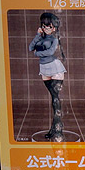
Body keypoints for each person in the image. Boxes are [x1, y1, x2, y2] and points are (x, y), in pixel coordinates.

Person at [28, 12, 66, 142]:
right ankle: (55, 127)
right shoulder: (40, 37)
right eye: (44, 26)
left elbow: (50, 52)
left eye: (49, 26)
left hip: (55, 67)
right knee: (53, 99)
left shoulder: (54, 40)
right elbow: (30, 47)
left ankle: (57, 128)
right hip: (44, 69)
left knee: (55, 99)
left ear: (54, 28)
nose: (46, 28)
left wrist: (37, 53)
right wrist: (37, 35)